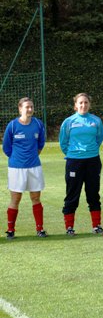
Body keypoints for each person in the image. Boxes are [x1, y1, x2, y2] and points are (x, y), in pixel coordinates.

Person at [59, 93, 103, 236]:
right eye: (80, 103)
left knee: (93, 194)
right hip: (74, 162)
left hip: (92, 161)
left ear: (89, 104)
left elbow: (98, 139)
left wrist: (89, 152)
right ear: (75, 105)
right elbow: (63, 142)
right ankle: (69, 228)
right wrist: (74, 153)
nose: (83, 105)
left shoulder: (96, 121)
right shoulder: (68, 122)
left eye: (86, 102)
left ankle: (96, 226)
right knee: (72, 194)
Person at [2, 97, 46, 239]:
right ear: (20, 108)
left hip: (34, 166)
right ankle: (10, 230)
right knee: (16, 199)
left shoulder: (38, 124)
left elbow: (40, 144)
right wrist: (17, 159)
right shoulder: (13, 125)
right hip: (16, 168)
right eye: (26, 107)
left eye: (31, 107)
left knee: (36, 197)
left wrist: (31, 157)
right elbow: (7, 148)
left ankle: (40, 229)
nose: (29, 109)